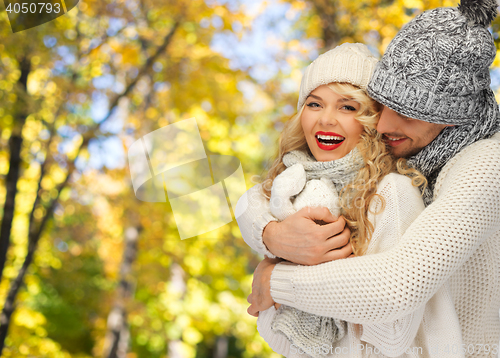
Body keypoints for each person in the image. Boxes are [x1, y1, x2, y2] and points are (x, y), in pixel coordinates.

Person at [242, 0, 500, 357]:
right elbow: (256, 195)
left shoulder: (486, 165)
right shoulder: (409, 155)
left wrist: (275, 280)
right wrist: (270, 234)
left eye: (407, 115)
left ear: (451, 118)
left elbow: (398, 284)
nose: (383, 125)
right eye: (382, 106)